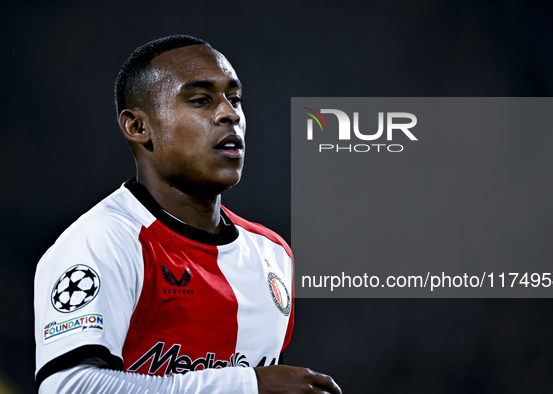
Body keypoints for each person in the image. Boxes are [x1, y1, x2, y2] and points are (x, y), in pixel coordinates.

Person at [34, 35, 341, 394]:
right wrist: (246, 386)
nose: (229, 113)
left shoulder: (271, 254)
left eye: (235, 99)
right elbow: (68, 387)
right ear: (138, 127)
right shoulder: (103, 240)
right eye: (201, 100)